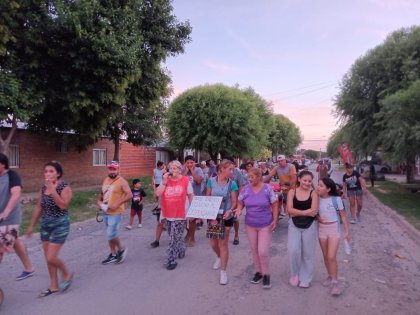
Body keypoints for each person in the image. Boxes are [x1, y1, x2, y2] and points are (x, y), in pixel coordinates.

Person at [26, 161, 74, 297]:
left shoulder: (64, 187)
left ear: (58, 174)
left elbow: (63, 206)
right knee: (48, 258)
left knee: (51, 257)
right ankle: (54, 285)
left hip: (60, 225)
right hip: (45, 226)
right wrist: (31, 226)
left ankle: (66, 273)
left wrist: (52, 189)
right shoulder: (43, 187)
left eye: (51, 171)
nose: (47, 174)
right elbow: (39, 207)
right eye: (46, 171)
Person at [234, 168, 279, 289]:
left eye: (252, 177)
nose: (249, 179)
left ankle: (266, 274)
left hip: (265, 223)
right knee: (254, 250)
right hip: (250, 224)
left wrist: (275, 220)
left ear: (259, 177)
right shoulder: (246, 189)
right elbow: (240, 202)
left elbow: (275, 204)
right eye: (248, 177)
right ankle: (258, 272)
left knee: (262, 251)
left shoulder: (267, 189)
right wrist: (239, 209)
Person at [0, 153, 35, 281]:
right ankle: (29, 268)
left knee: (2, 247)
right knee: (15, 242)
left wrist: (6, 212)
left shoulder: (12, 176)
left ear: (2, 164)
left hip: (9, 219)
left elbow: (15, 194)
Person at [155, 160, 194, 270]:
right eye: (170, 168)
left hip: (180, 213)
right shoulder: (166, 180)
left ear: (179, 169)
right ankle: (181, 248)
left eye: (175, 168)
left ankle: (171, 259)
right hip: (168, 213)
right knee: (173, 235)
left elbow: (191, 195)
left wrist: (193, 211)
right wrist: (163, 181)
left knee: (173, 238)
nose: (172, 170)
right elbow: (158, 194)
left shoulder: (186, 180)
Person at [206, 159, 238, 285]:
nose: (232, 171)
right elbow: (208, 196)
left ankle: (223, 272)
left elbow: (234, 202)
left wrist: (230, 210)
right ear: (221, 169)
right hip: (213, 216)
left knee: (223, 244)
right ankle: (219, 256)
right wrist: (204, 209)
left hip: (226, 216)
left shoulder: (232, 184)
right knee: (214, 243)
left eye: (233, 169)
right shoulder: (211, 181)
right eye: (230, 169)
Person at [317, 176, 350, 296]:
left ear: (328, 189)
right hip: (322, 230)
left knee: (331, 256)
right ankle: (330, 276)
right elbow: (314, 214)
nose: (318, 187)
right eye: (318, 185)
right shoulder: (316, 199)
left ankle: (335, 283)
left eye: (321, 186)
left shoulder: (336, 200)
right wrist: (319, 218)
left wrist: (347, 232)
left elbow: (343, 216)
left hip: (334, 229)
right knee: (326, 256)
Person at [286, 170, 319, 288]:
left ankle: (305, 277)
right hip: (294, 225)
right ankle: (294, 274)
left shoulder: (313, 193)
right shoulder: (292, 192)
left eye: (310, 181)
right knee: (293, 250)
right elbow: (289, 210)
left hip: (310, 225)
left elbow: (314, 211)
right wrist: (306, 212)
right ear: (299, 179)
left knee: (308, 253)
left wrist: (298, 212)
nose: (307, 183)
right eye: (305, 180)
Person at [97, 161, 132, 265]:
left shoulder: (122, 181)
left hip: (116, 212)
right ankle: (113, 254)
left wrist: (118, 203)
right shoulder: (106, 180)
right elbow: (103, 193)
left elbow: (129, 195)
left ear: (118, 169)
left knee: (111, 233)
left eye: (114, 169)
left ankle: (121, 249)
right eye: (110, 169)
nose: (112, 171)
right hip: (106, 210)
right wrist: (99, 201)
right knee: (109, 234)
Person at [183, 155, 204, 247]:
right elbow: (179, 181)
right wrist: (186, 171)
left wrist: (192, 171)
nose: (189, 164)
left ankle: (192, 238)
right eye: (187, 163)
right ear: (185, 163)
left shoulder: (198, 170)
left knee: (192, 219)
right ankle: (188, 233)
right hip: (183, 198)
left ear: (194, 163)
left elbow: (198, 181)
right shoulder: (182, 170)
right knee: (183, 219)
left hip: (195, 197)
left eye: (191, 163)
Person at [151, 161, 167, 248]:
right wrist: (155, 190)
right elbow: (157, 194)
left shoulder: (174, 181)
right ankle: (157, 240)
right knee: (160, 222)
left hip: (173, 206)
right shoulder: (163, 183)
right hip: (162, 205)